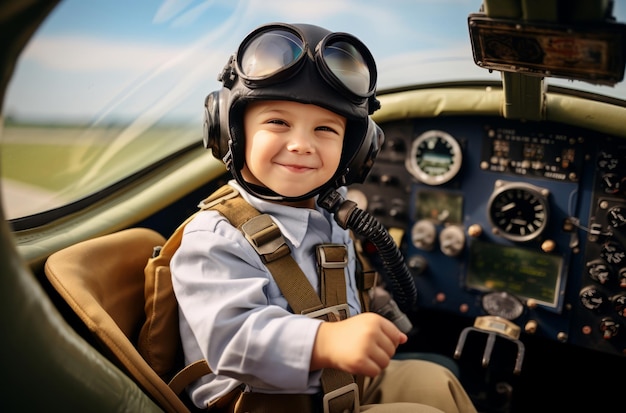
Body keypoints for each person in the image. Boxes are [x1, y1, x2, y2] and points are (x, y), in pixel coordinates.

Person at [171, 22, 478, 413]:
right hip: (267, 403)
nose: (302, 144)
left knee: (438, 383)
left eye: (325, 129)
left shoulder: (329, 211)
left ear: (356, 148)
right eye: (278, 122)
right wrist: (325, 342)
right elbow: (231, 340)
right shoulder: (214, 237)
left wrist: (372, 305)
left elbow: (337, 286)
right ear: (229, 129)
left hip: (336, 382)